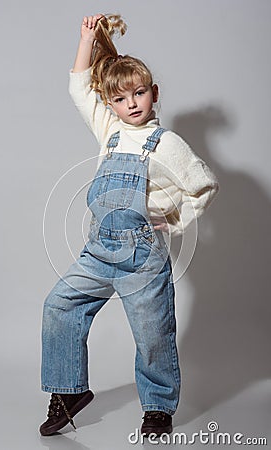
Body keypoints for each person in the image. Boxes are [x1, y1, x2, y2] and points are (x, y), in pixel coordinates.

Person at [39, 13, 219, 438]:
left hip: (142, 256)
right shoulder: (110, 132)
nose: (132, 104)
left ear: (153, 94)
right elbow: (78, 88)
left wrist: (174, 221)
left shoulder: (168, 144)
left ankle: (157, 408)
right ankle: (68, 391)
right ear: (111, 103)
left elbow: (203, 186)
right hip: (100, 250)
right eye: (121, 99)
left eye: (140, 93)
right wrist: (86, 40)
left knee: (152, 334)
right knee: (59, 306)